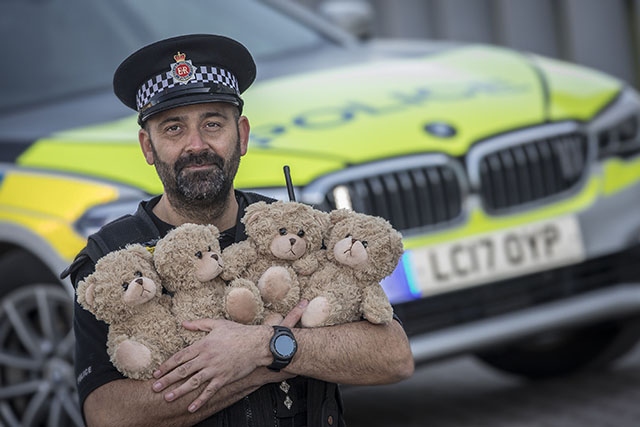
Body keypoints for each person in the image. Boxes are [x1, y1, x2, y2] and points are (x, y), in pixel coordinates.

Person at [66, 34, 414, 427]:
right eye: (173, 129)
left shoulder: (297, 229)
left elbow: (394, 356)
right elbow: (106, 414)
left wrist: (263, 347)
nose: (196, 145)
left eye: (213, 124)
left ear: (242, 134)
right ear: (148, 146)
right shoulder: (110, 260)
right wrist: (259, 363)